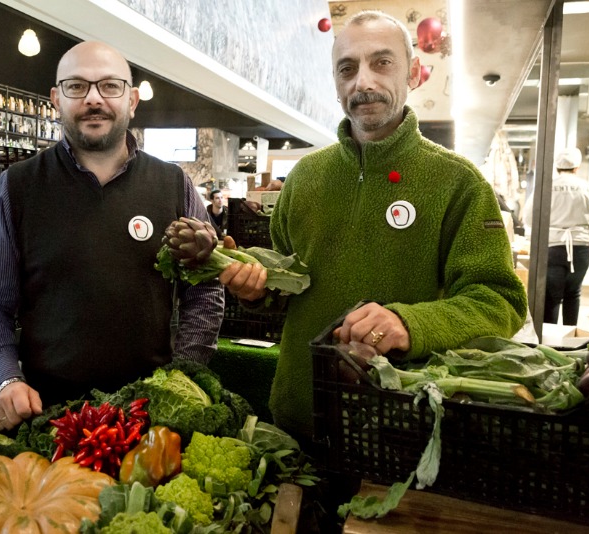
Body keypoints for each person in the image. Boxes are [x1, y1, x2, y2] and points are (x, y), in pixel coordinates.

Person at [220, 10, 528, 442]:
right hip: (298, 416)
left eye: (382, 62)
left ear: (415, 73)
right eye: (347, 68)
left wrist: (410, 324)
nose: (362, 81)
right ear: (335, 83)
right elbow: (289, 290)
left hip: (400, 427)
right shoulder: (305, 179)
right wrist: (257, 288)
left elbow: (501, 302)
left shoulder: (458, 183)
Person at [0, 41, 224, 431]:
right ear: (56, 99)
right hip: (49, 417)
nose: (93, 99)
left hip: (149, 416)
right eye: (76, 87)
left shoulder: (173, 184)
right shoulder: (17, 186)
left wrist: (182, 377)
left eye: (109, 86)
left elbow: (205, 290)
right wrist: (6, 377)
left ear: (132, 100)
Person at [526, 147, 589, 325]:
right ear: (577, 167)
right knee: (573, 294)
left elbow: (528, 217)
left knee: (552, 296)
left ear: (556, 166)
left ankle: (550, 342)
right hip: (581, 247)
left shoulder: (545, 187)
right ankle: (570, 339)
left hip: (553, 245)